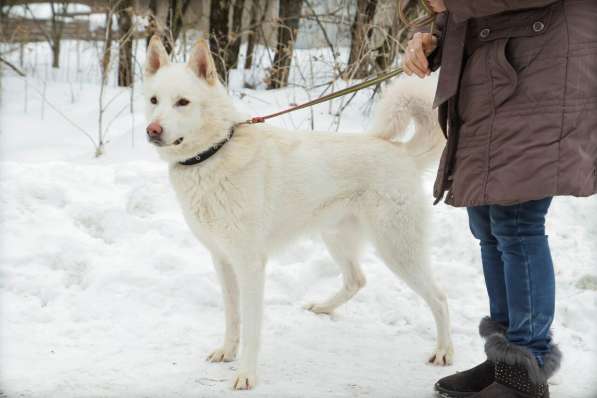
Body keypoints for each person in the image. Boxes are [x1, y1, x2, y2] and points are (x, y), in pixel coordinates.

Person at [403, 0, 597, 397]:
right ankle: (508, 358)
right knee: (489, 220)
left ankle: (527, 362)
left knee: (517, 221)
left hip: (539, 73)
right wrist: (433, 39)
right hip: (496, 74)